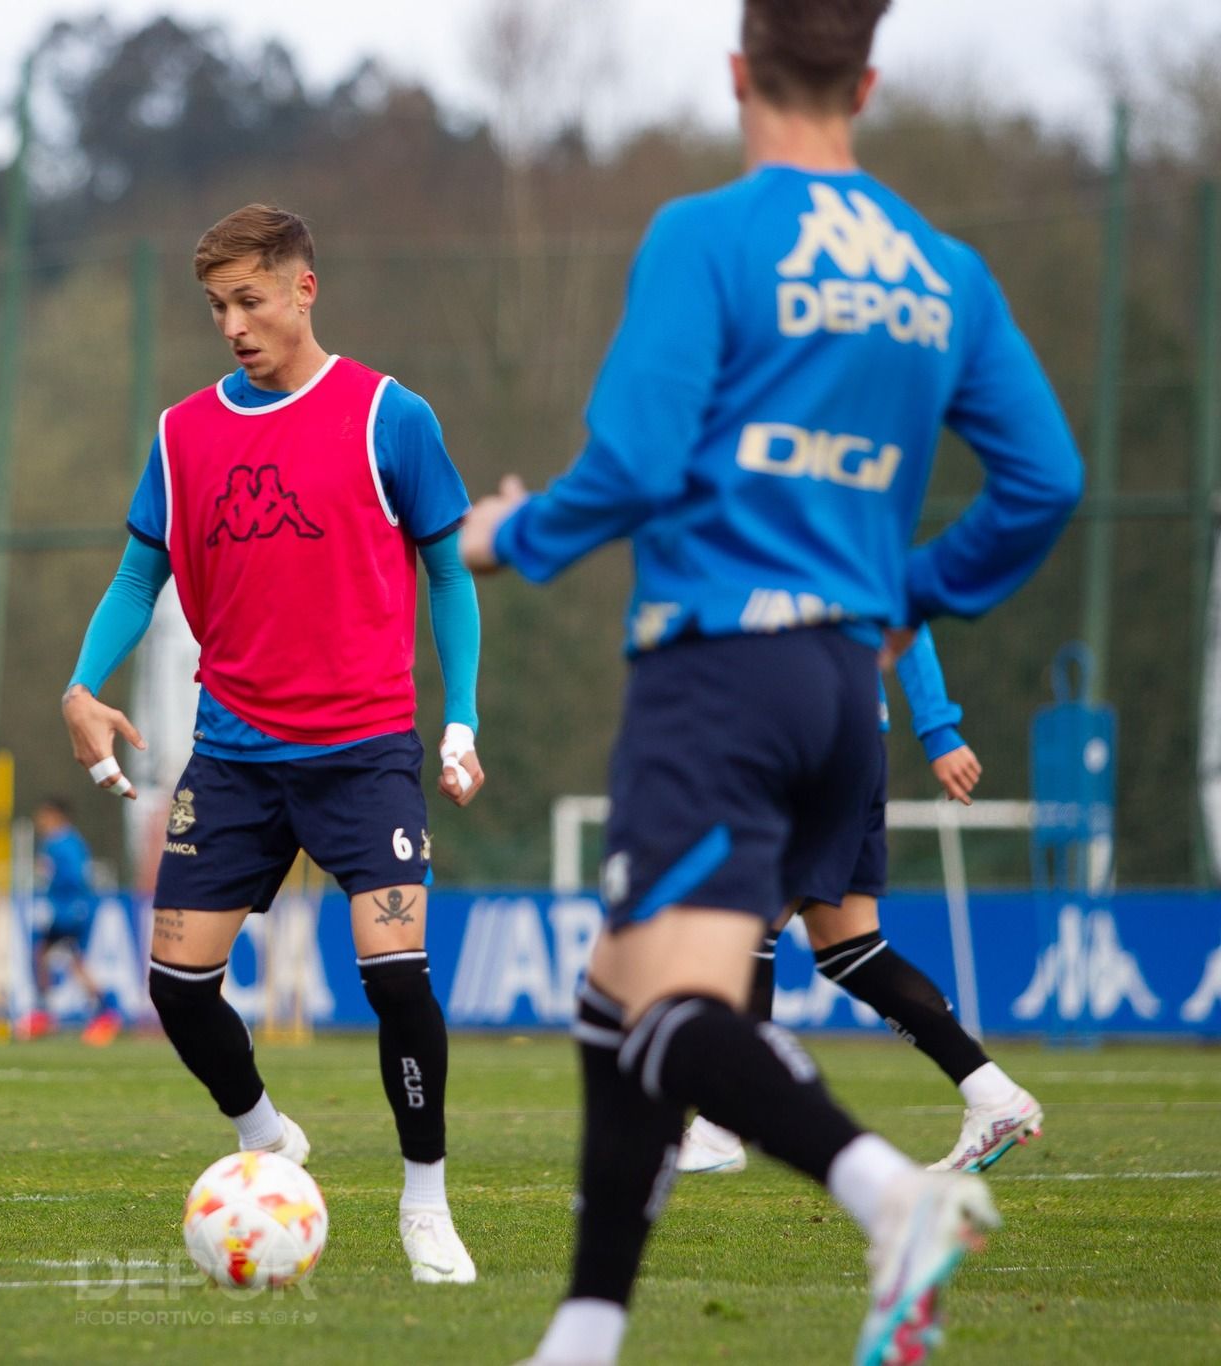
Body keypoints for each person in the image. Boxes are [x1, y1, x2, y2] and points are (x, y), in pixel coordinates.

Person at [457, 2, 1084, 1361]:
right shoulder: (942, 269)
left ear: (738, 71)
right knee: (615, 994)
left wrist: (506, 535)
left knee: (674, 1008)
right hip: (839, 688)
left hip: (718, 673)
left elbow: (628, 463)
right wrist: (909, 592)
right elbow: (1048, 481)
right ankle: (584, 1325)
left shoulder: (709, 236)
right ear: (866, 76)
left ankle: (895, 1195)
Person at [61, 204, 489, 1284]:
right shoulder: (181, 433)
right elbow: (133, 575)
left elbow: (446, 572)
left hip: (363, 751)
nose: (232, 324)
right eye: (216, 306)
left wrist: (460, 717)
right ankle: (262, 1135)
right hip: (235, 752)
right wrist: (81, 683)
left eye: (249, 299)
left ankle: (424, 1204)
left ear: (305, 288)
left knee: (396, 980)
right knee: (173, 984)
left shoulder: (389, 417)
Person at [680, 626, 1044, 1176]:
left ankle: (724, 1121)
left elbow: (906, 609)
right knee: (849, 945)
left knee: (744, 926)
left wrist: (939, 727)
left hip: (813, 739)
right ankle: (992, 1096)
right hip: (843, 740)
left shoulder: (816, 540)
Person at [22, 798, 122, 1044]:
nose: (41, 822)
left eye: (44, 817)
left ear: (55, 816)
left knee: (67, 960)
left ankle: (104, 1011)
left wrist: (61, 903)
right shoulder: (60, 842)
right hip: (65, 909)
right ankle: (47, 1013)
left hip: (68, 911)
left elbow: (75, 878)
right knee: (51, 957)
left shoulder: (63, 843)